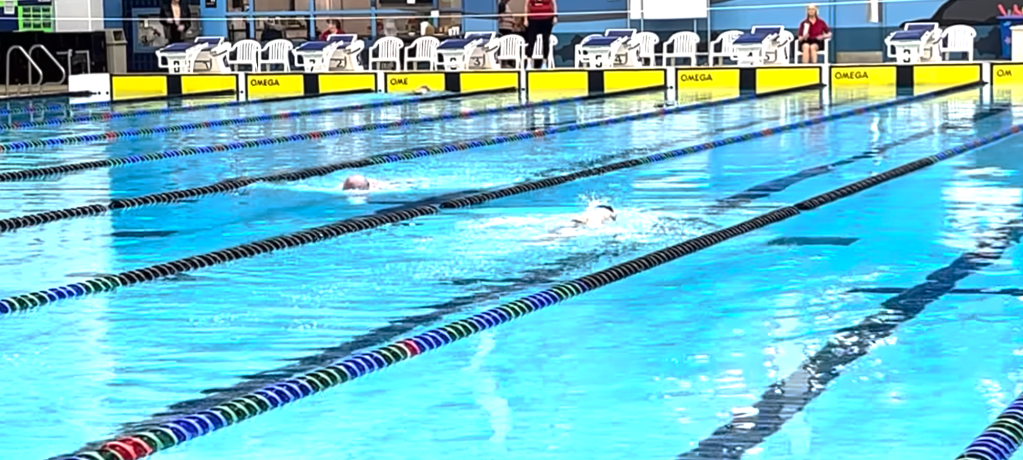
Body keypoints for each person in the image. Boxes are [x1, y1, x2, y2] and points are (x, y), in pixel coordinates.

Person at [524, 0, 557, 69]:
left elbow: (554, 3)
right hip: (533, 19)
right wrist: (525, 18)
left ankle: (544, 63)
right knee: (531, 40)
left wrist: (555, 16)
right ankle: (529, 63)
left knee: (545, 41)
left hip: (547, 19)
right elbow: (526, 5)